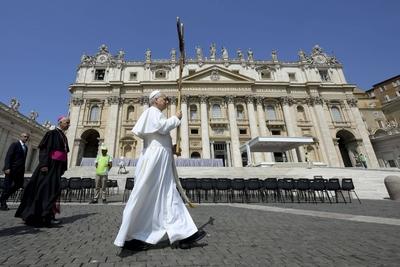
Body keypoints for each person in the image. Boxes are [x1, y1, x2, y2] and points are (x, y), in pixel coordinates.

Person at [114, 90, 206, 250]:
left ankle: (185, 234)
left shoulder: (156, 113)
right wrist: (176, 118)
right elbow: (162, 128)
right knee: (150, 194)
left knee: (167, 193)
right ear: (155, 100)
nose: (167, 101)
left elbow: (158, 136)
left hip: (160, 157)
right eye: (164, 98)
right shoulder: (152, 112)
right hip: (155, 159)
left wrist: (171, 148)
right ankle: (132, 236)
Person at [15, 116, 70, 227]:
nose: (69, 124)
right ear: (60, 122)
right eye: (67, 122)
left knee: (52, 191)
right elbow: (44, 149)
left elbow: (64, 153)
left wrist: (63, 167)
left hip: (56, 168)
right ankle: (41, 217)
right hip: (49, 166)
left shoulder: (63, 136)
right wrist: (44, 164)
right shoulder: (52, 133)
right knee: (45, 192)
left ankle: (48, 216)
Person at [0, 133, 30, 211]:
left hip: (20, 171)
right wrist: (7, 167)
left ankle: (2, 198)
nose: (26, 138)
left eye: (27, 137)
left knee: (19, 184)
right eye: (25, 137)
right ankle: (3, 204)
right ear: (21, 137)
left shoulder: (26, 148)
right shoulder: (15, 144)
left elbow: (23, 160)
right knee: (7, 186)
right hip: (11, 170)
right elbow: (8, 156)